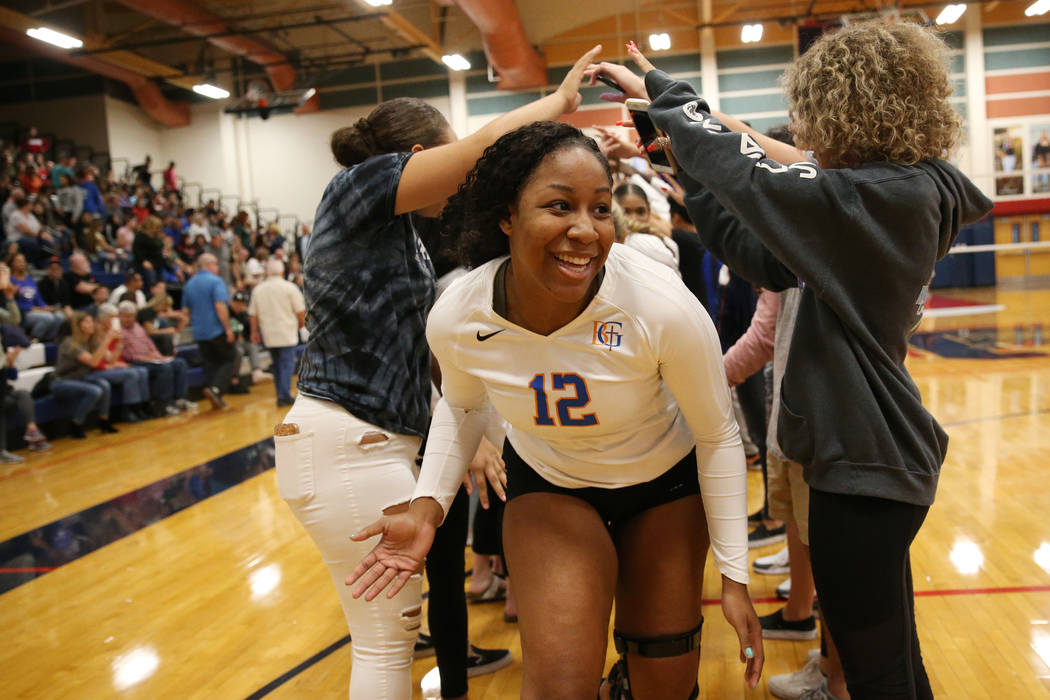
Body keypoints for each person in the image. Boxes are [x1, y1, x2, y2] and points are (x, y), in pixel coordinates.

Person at [590, 25, 993, 700]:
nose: (805, 129)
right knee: (891, 660)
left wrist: (666, 99)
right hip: (869, 459)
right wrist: (678, 144)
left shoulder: (878, 199)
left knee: (875, 673)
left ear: (843, 107)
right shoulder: (899, 193)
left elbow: (752, 169)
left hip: (865, 462)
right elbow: (762, 255)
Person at [346, 121, 763, 699]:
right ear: (506, 216)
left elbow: (718, 434)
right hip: (552, 487)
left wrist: (736, 576)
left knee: (664, 684)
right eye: (559, 206)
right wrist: (427, 506)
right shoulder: (460, 312)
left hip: (665, 487)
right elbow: (463, 408)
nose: (585, 230)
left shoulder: (660, 304)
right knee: (559, 683)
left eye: (599, 208)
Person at [277, 46, 604, 700]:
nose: (459, 181)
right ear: (418, 155)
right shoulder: (360, 187)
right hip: (347, 444)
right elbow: (484, 148)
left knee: (388, 639)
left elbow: (411, 353)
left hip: (368, 442)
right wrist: (559, 106)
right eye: (447, 159)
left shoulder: (395, 229)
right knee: (384, 640)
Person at [118, 301, 194, 415]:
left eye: (132, 316)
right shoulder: (118, 331)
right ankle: (164, 404)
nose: (130, 319)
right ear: (120, 316)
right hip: (136, 362)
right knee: (165, 368)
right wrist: (144, 357)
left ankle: (180, 399)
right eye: (127, 316)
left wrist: (158, 355)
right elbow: (125, 354)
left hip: (152, 359)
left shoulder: (138, 327)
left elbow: (149, 343)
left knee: (179, 363)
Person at [52, 312, 121, 438]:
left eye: (91, 321)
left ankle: (103, 421)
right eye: (87, 322)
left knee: (104, 385)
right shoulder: (70, 343)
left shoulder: (92, 341)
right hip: (62, 381)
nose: (91, 324)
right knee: (94, 390)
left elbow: (111, 359)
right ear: (78, 326)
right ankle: (75, 424)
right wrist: (107, 339)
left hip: (81, 378)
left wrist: (119, 343)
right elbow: (93, 362)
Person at [248, 259, 305, 407]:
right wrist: (301, 325)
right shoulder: (290, 288)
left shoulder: (258, 289)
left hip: (268, 333)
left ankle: (281, 393)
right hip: (286, 332)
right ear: (281, 271)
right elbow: (300, 311)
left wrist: (254, 331)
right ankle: (284, 395)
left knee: (277, 364)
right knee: (286, 365)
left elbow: (252, 314)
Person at [182, 253, 236, 409]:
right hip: (215, 329)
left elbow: (186, 312)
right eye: (216, 264)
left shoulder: (189, 284)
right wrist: (227, 328)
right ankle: (216, 389)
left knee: (211, 363)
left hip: (199, 332)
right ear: (208, 265)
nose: (217, 268)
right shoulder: (216, 281)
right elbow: (220, 306)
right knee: (229, 357)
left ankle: (213, 394)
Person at [8, 252, 65, 340]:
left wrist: (46, 307)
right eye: (19, 261)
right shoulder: (10, 280)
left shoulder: (30, 280)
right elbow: (14, 304)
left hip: (36, 310)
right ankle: (31, 340)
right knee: (48, 318)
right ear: (12, 264)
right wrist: (38, 309)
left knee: (60, 316)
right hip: (23, 313)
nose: (22, 263)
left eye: (23, 261)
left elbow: (38, 298)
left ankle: (49, 339)